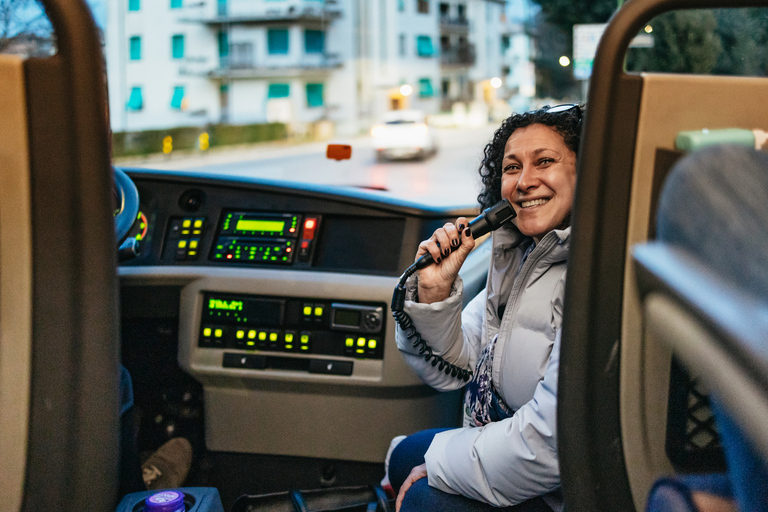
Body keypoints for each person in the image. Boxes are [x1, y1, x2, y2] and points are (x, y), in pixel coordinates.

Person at [388, 104, 583, 512]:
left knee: (422, 496)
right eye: (512, 168)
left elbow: (551, 444)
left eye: (544, 162)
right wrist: (434, 292)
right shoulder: (521, 256)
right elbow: (455, 367)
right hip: (522, 445)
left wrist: (441, 465)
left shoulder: (591, 275)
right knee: (404, 455)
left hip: (566, 488)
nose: (524, 182)